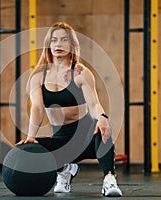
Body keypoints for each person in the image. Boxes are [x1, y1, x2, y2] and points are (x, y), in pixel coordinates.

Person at [17, 22, 122, 197]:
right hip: (61, 140)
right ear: (48, 45)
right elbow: (37, 108)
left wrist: (103, 116)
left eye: (64, 40)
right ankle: (66, 170)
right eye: (54, 40)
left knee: (103, 125)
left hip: (87, 136)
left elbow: (94, 104)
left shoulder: (81, 73)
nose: (58, 45)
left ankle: (109, 179)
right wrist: (31, 137)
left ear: (72, 45)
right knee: (29, 150)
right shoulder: (38, 77)